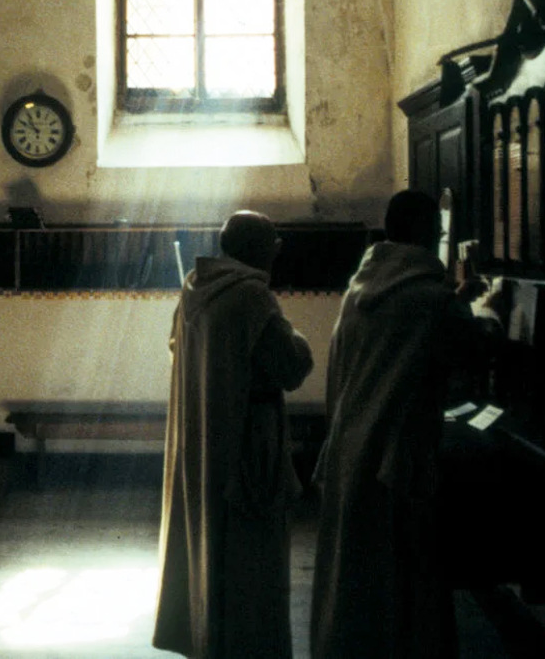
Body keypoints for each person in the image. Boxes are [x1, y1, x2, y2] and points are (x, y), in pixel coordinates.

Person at [310, 189, 502, 659]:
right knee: (402, 586)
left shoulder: (361, 290)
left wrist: (452, 299)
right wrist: (489, 309)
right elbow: (476, 347)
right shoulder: (428, 299)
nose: (438, 241)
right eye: (436, 234)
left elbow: (401, 333)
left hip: (350, 449)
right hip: (394, 461)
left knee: (354, 578)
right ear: (419, 235)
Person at [153, 210, 314, 659]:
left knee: (209, 545)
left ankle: (210, 638)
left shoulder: (194, 288)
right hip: (248, 442)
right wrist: (298, 338)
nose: (278, 248)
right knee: (251, 561)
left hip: (203, 434)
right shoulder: (251, 296)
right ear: (261, 247)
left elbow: (174, 350)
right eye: (274, 240)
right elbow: (292, 366)